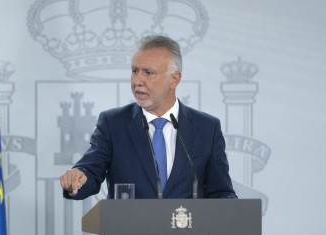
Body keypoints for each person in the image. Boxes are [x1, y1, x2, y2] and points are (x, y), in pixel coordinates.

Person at [60, 35, 237, 200]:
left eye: (148, 73)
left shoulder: (207, 127)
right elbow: (90, 171)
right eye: (135, 71)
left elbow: (221, 192)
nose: (138, 81)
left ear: (174, 80)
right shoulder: (112, 123)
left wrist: (235, 213)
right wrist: (78, 178)